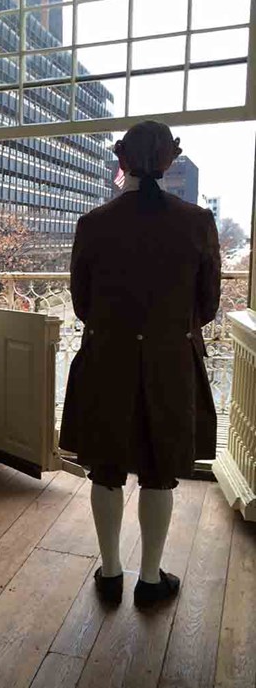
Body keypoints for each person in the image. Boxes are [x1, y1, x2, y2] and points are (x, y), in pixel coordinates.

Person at [60, 121, 221, 608]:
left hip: (107, 358)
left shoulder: (93, 223)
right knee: (158, 470)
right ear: (170, 160)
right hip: (170, 361)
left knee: (105, 469)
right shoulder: (198, 222)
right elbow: (209, 305)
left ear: (121, 159)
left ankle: (110, 574)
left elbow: (82, 304)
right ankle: (150, 579)